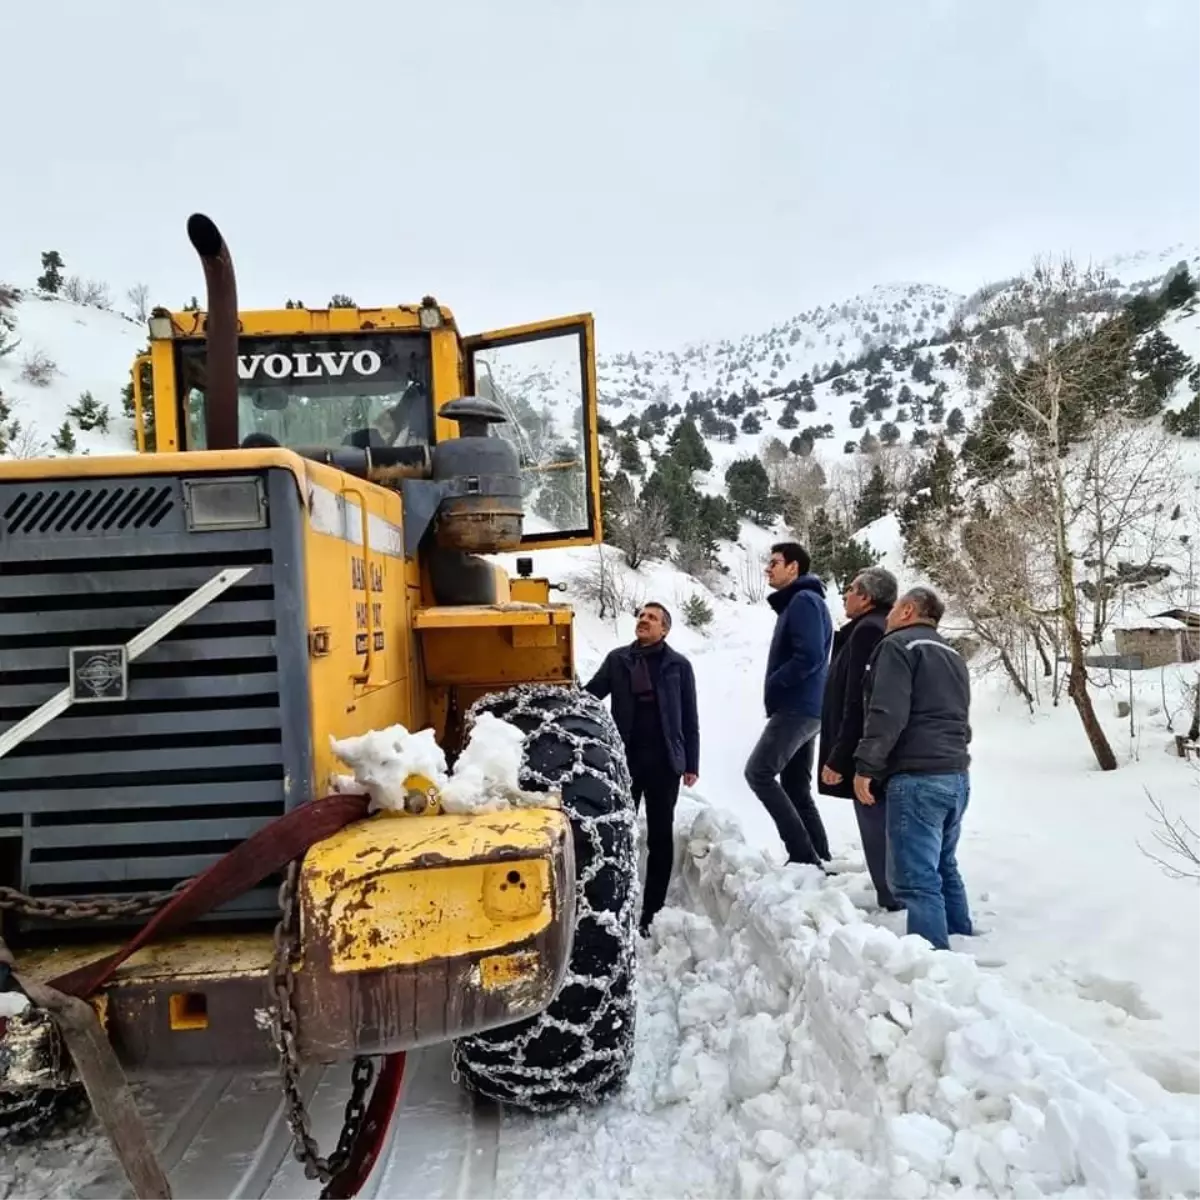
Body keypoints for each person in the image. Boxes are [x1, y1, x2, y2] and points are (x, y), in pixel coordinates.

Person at [853, 586, 973, 951]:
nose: (887, 617)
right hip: (955, 775)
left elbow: (887, 711)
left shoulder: (897, 647)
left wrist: (866, 766)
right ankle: (963, 943)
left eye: (893, 611)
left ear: (907, 611)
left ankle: (932, 967)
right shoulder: (952, 654)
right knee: (943, 866)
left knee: (916, 879)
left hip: (917, 776)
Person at [584, 602, 699, 936]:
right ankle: (615, 903)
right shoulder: (619, 659)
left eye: (652, 618)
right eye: (641, 616)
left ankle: (652, 912)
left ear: (664, 629)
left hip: (665, 764)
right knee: (619, 834)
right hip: (626, 762)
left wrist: (691, 762)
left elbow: (689, 717)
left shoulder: (679, 665)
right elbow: (592, 696)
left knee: (661, 838)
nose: (644, 621)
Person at [818, 566, 902, 912]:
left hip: (866, 752)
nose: (846, 595)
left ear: (866, 598)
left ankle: (893, 898)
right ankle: (894, 893)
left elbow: (859, 699)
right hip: (873, 746)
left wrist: (840, 757)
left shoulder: (868, 631)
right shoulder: (869, 629)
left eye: (851, 589)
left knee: (876, 823)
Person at [744, 542, 833, 867]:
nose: (768, 569)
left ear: (794, 567)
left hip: (798, 706)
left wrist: (777, 681)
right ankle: (819, 856)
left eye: (775, 563)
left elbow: (809, 655)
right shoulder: (805, 601)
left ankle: (802, 857)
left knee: (759, 772)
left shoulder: (804, 601)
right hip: (808, 707)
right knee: (795, 786)